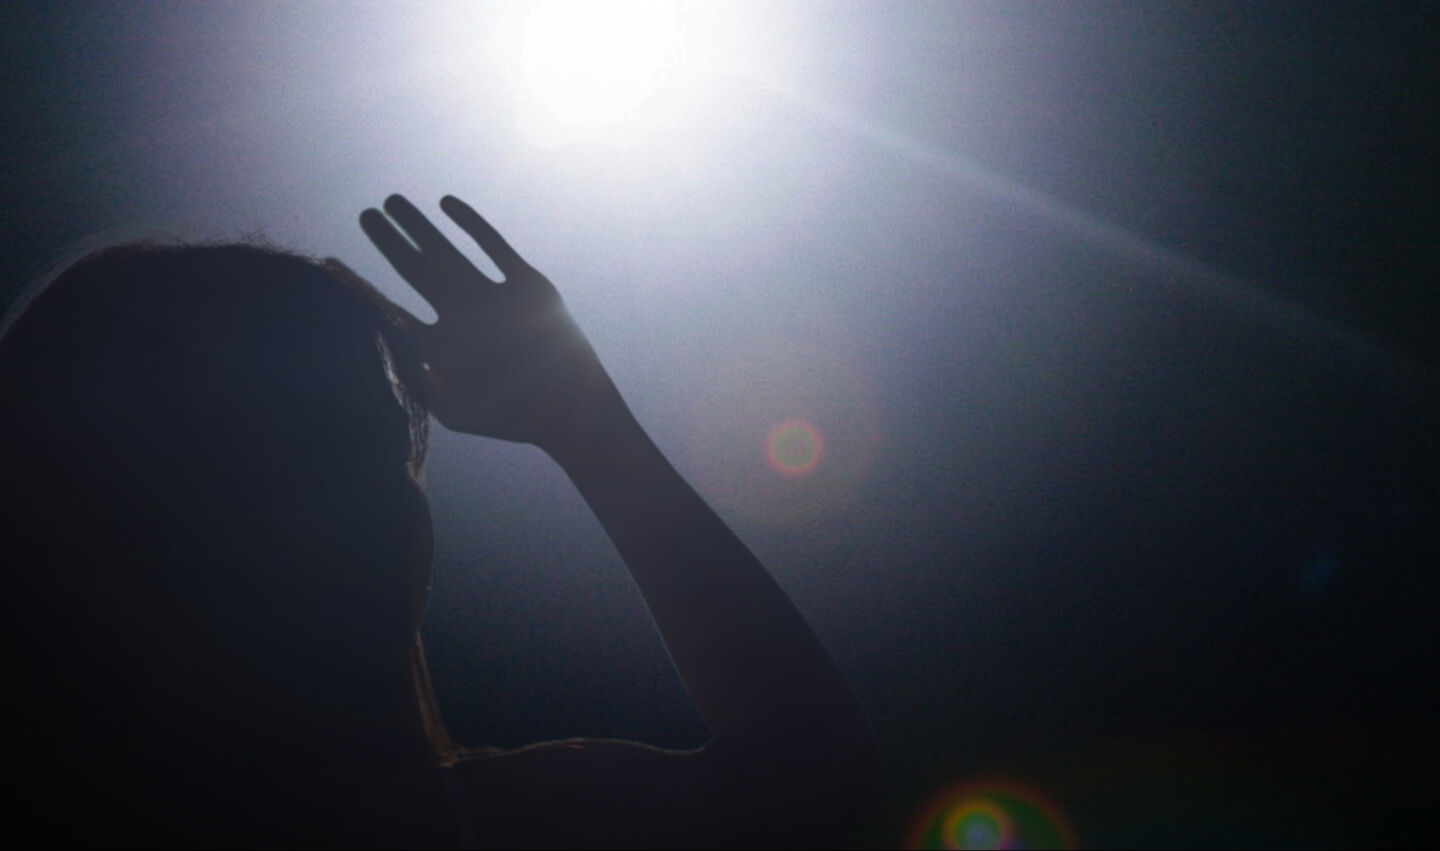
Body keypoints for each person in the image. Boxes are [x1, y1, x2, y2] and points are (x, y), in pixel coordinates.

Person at [0, 194, 879, 848]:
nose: (370, 500)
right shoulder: (481, 826)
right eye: (300, 448)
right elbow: (812, 772)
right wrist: (586, 423)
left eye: (378, 448)